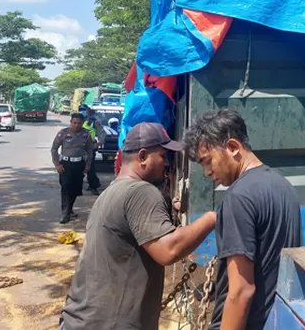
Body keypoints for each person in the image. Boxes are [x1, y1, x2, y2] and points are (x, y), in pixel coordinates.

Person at [60, 122, 217, 330]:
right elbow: (167, 250)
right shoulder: (141, 192)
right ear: (143, 157)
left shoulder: (112, 191)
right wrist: (212, 218)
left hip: (80, 321)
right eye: (163, 156)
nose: (167, 164)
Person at [185, 108, 302, 330]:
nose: (207, 172)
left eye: (207, 161)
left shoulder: (238, 198)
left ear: (233, 147)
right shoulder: (283, 186)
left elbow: (241, 292)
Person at [51, 113, 94, 224]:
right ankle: (65, 214)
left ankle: (69, 209)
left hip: (79, 164)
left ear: (82, 123)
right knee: (66, 188)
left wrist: (88, 165)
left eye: (79, 123)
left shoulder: (86, 134)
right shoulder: (63, 133)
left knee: (75, 189)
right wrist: (57, 164)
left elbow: (90, 150)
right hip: (66, 165)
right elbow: (54, 149)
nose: (76, 125)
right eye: (74, 122)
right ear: (71, 122)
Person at [82, 107, 105, 195]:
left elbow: (102, 133)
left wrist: (98, 143)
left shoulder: (95, 122)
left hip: (90, 146)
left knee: (90, 167)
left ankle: (94, 186)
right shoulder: (81, 120)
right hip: (80, 146)